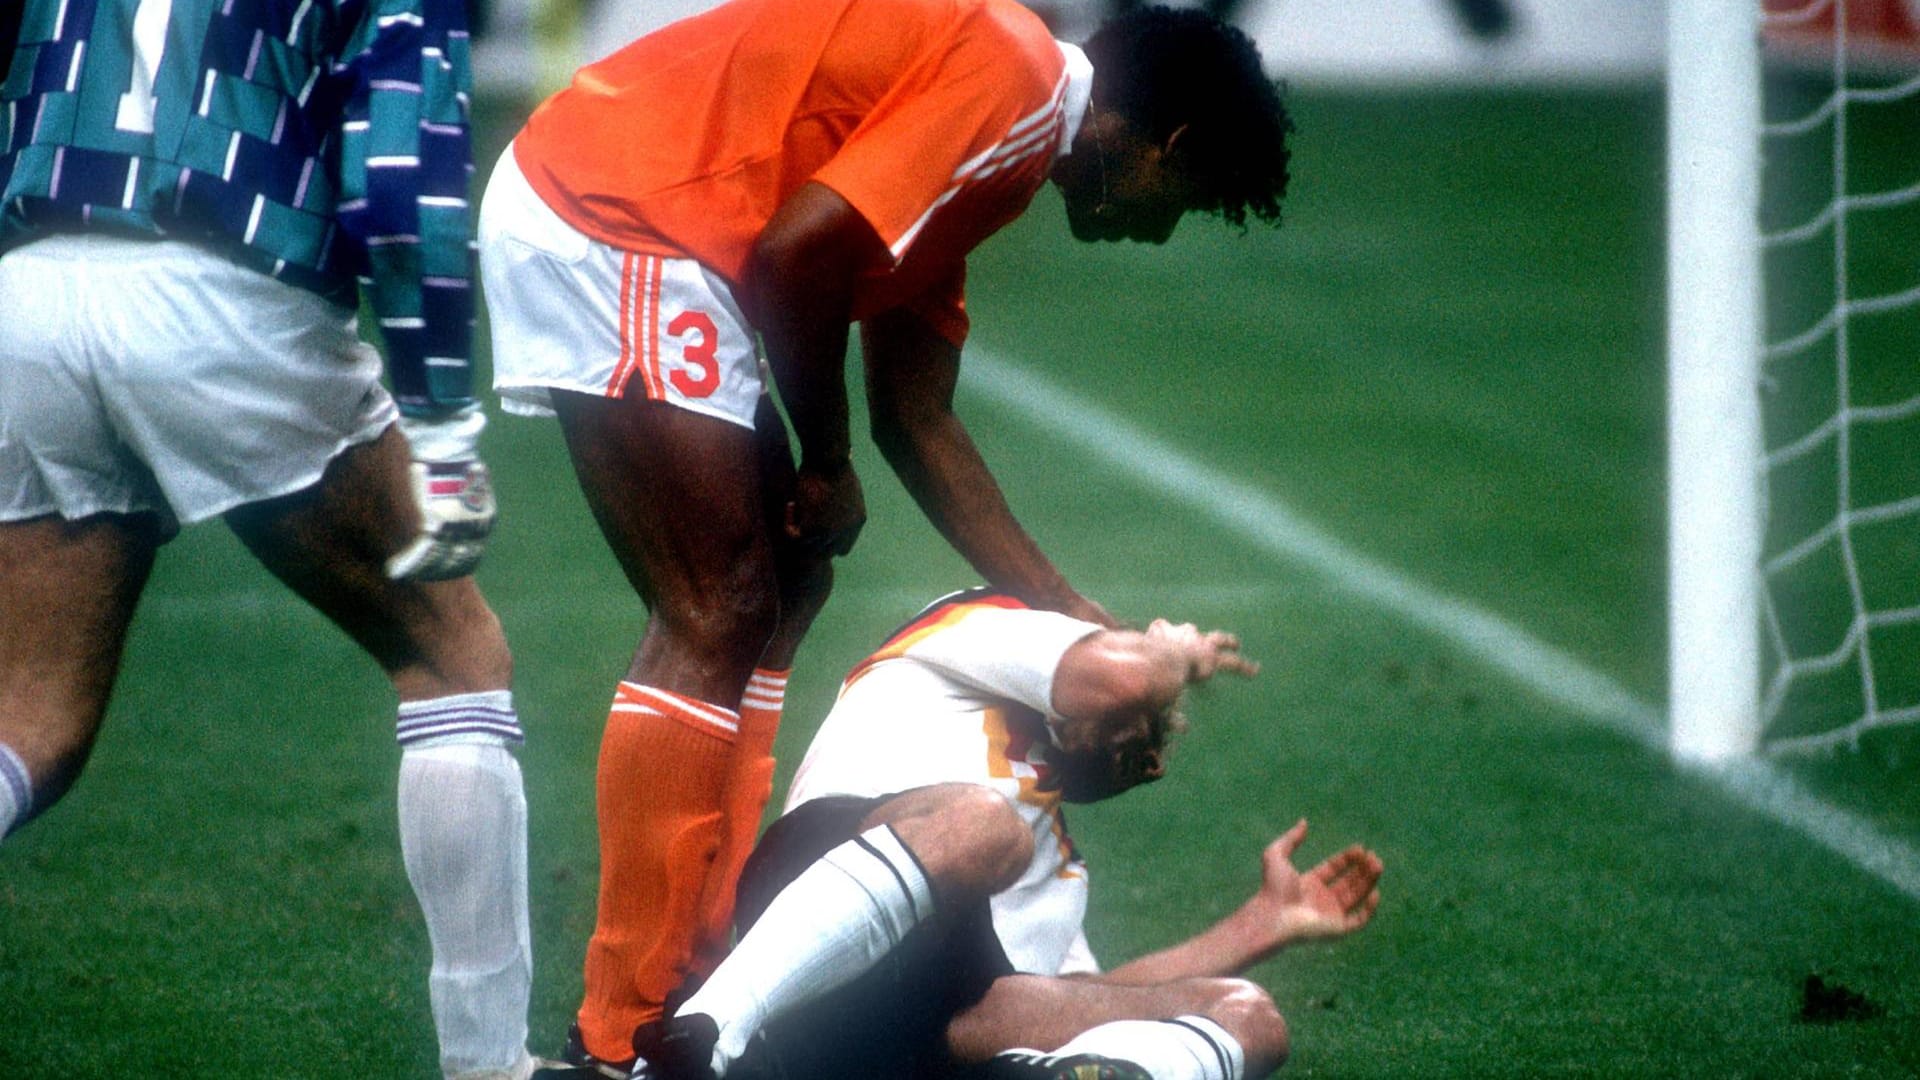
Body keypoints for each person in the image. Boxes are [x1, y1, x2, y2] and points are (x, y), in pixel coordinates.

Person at [476, 0, 1296, 1067]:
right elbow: (798, 258)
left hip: (638, 204)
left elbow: (919, 418)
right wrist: (824, 456)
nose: (1159, 227)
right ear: (1164, 143)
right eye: (1181, 199)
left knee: (784, 582)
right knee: (714, 607)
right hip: (621, 207)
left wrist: (1068, 618)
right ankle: (625, 1032)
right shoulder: (1012, 89)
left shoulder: (1001, 130)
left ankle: (709, 969)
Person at [0, 2, 535, 1077]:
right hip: (222, 289)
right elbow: (400, 183)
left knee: (29, 719)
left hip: (27, 292)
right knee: (452, 654)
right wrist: (441, 423)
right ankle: (492, 1069)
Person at [555, 586, 1382, 1080]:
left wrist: (1261, 927)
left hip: (925, 1036)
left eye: (1161, 746)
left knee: (1252, 1020)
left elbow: (1081, 997)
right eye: (1158, 725)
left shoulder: (1060, 866)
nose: (1154, 757)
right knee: (985, 829)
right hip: (813, 915)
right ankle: (701, 1037)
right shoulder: (961, 641)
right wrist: (1178, 656)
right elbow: (1119, 676)